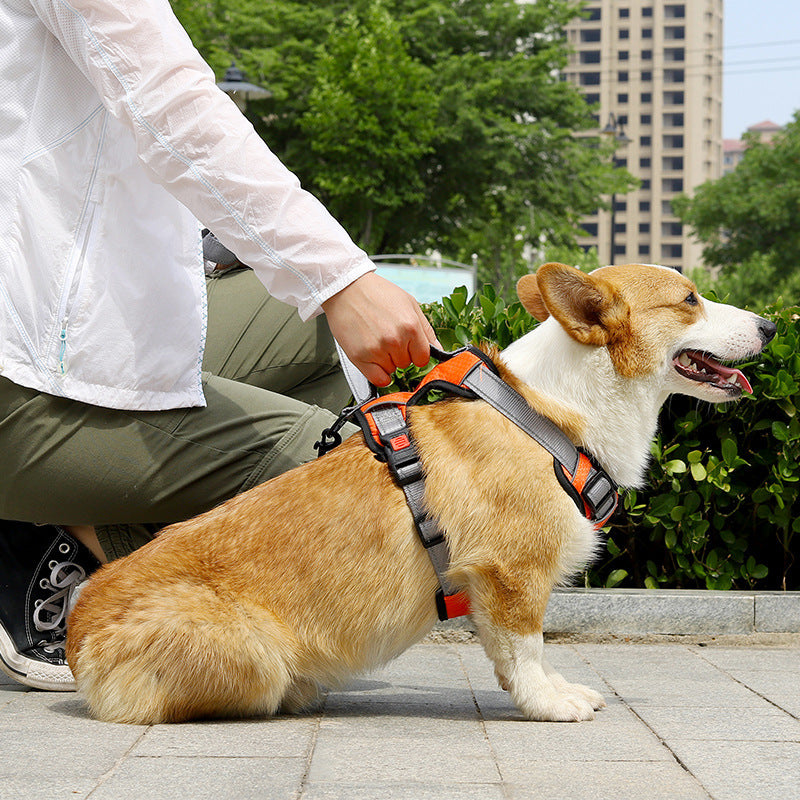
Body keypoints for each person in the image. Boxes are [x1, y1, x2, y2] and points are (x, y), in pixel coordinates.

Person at [0, 0, 436, 691]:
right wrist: (340, 279)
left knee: (332, 349)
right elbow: (169, 100)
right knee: (364, 480)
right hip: (20, 372)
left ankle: (55, 519)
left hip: (59, 322)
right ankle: (70, 539)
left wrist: (327, 287)